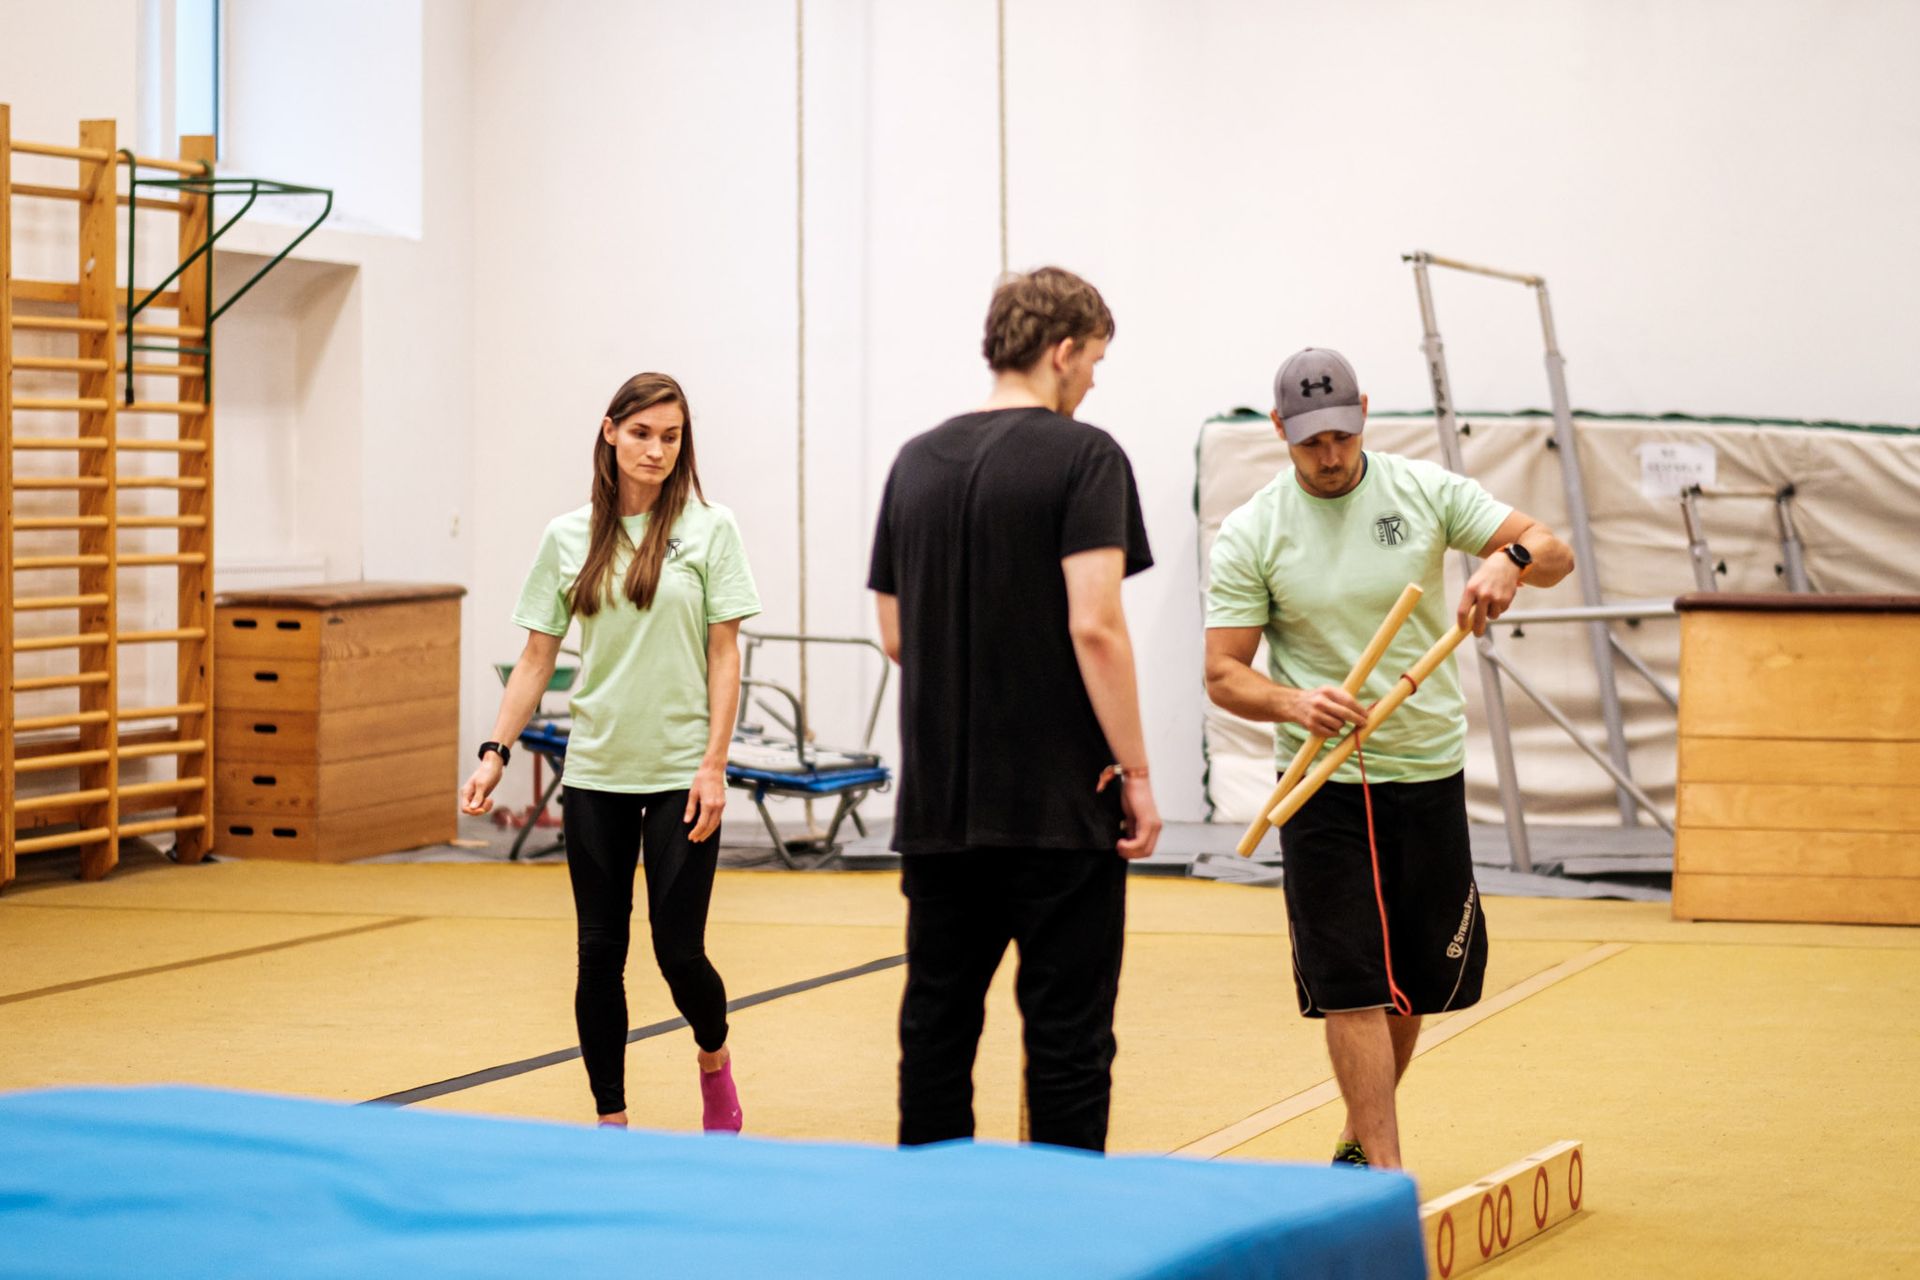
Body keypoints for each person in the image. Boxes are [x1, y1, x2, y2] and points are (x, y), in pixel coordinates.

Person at [1203, 347, 1574, 1171]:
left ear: (1364, 412)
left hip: (1425, 767)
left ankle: (1357, 1138)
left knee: (1410, 984)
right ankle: (1384, 1172)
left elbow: (1552, 548)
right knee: (1351, 982)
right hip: (1321, 784)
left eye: (1341, 435)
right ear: (1279, 430)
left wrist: (1508, 562)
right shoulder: (1254, 530)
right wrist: (1293, 702)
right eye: (1310, 442)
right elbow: (1223, 674)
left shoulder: (1423, 491)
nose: (1330, 455)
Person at [867, 266, 1163, 1153]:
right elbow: (1095, 625)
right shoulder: (1086, 457)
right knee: (1068, 1040)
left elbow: (895, 633)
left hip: (941, 809)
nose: (1094, 382)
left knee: (936, 1030)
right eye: (1095, 361)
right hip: (1057, 807)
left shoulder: (915, 462)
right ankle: (1062, 1218)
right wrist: (1138, 773)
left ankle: (934, 1208)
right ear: (1062, 351)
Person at [460, 371, 761, 1133]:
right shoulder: (568, 537)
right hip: (597, 771)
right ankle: (611, 1123)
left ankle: (714, 1056)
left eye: (671, 437)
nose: (656, 450)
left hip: (681, 773)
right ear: (610, 432)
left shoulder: (710, 528)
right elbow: (536, 659)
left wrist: (714, 765)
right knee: (599, 952)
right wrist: (495, 751)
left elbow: (725, 654)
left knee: (679, 953)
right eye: (641, 433)